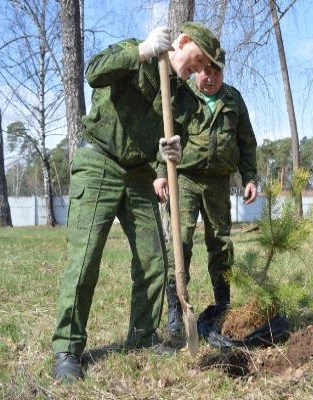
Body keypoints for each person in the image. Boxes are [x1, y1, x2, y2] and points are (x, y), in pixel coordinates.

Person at [52, 22, 223, 381]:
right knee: (85, 258)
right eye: (197, 62)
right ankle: (68, 347)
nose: (199, 72)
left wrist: (170, 153)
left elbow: (179, 141)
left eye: (204, 68)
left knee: (153, 262)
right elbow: (93, 73)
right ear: (184, 41)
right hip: (99, 160)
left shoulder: (184, 99)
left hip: (140, 175)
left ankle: (142, 338)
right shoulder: (137, 52)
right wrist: (141, 51)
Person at [155, 49, 258, 343]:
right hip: (184, 178)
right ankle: (176, 309)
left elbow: (246, 142)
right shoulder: (181, 96)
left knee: (220, 242)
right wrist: (161, 171)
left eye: (216, 72)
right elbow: (163, 132)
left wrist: (249, 177)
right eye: (205, 71)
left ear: (222, 72)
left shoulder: (233, 100)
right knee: (181, 240)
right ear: (197, 69)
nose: (210, 77)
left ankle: (223, 306)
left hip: (218, 183)